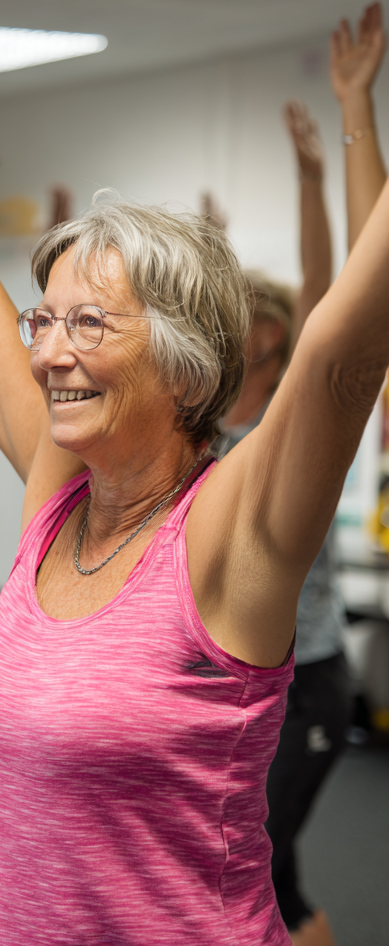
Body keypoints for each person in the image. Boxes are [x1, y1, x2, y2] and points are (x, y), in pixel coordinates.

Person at [0, 0, 389, 943]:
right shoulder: (57, 493)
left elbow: (339, 347)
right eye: (43, 319)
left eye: (89, 323)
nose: (48, 351)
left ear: (184, 360)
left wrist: (355, 126)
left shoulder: (233, 527)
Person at [216, 99, 353, 946]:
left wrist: (310, 177)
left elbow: (323, 294)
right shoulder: (204, 429)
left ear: (274, 336)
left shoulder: (297, 424)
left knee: (265, 867)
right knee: (257, 870)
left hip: (310, 677)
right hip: (232, 680)